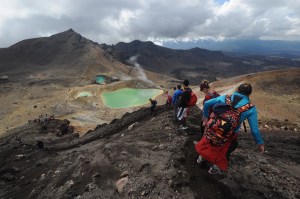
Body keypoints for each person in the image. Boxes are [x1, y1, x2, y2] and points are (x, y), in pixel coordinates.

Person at [195, 83, 265, 175]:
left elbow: (207, 104)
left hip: (214, 126)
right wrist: (260, 143)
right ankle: (215, 168)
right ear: (249, 94)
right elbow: (254, 130)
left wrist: (206, 117)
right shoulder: (250, 108)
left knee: (209, 141)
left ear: (237, 90)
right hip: (230, 133)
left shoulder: (226, 98)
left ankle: (201, 159)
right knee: (226, 148)